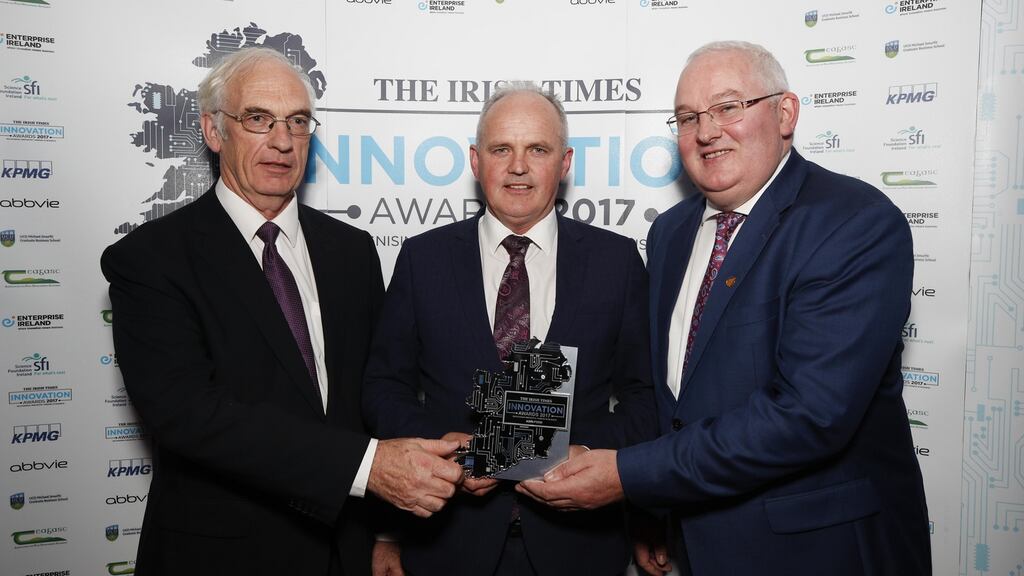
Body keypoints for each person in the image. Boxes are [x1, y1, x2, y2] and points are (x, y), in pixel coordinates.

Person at [518, 41, 931, 576]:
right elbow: (673, 399)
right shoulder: (670, 233)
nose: (706, 131)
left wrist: (630, 476)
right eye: (688, 117)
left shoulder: (853, 223)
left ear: (786, 113)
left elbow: (808, 415)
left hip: (816, 552)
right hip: (697, 543)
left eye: (728, 107)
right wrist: (654, 511)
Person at [101, 47, 463, 576]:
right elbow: (188, 414)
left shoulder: (352, 251)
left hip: (346, 551)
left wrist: (395, 519)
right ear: (213, 131)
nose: (282, 140)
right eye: (258, 119)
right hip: (220, 557)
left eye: (297, 121)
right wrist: (368, 468)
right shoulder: (151, 259)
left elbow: (376, 391)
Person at [362, 82, 657, 576]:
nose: (518, 166)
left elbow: (646, 399)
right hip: (448, 543)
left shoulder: (617, 261)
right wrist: (445, 451)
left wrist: (584, 453)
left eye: (537, 149)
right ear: (476, 162)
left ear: (564, 163)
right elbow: (382, 389)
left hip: (580, 547)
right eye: (502, 149)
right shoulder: (422, 258)